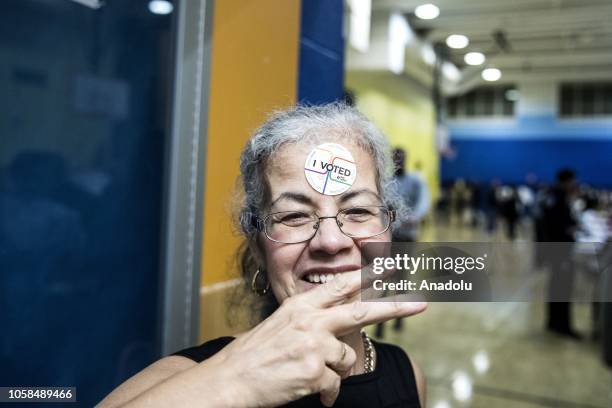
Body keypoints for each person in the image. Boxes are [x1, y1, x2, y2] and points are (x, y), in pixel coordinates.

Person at [98, 103, 427, 407]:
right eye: (294, 216)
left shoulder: (407, 374)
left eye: (357, 210)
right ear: (257, 247)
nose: (330, 241)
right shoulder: (186, 377)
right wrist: (233, 380)